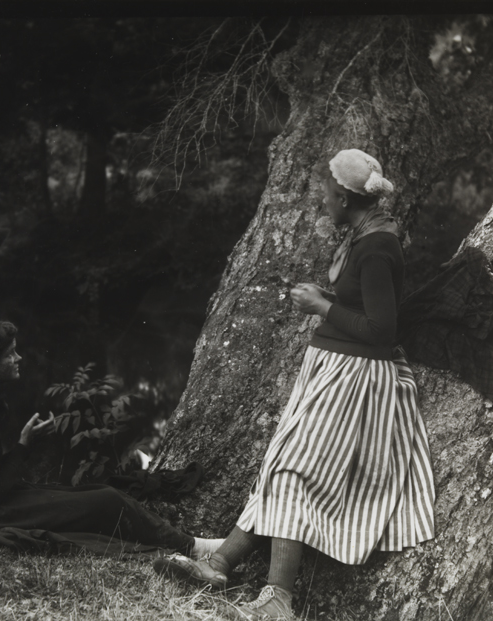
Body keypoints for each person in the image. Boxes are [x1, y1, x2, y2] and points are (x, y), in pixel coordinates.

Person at [153, 149, 436, 619]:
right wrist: (330, 297)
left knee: (292, 473)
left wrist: (322, 307)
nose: (322, 197)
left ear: (345, 197)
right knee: (282, 464)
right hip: (332, 371)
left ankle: (277, 598)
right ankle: (220, 563)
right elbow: (365, 307)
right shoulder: (365, 235)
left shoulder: (378, 247)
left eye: (327, 190)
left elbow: (383, 332)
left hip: (354, 380)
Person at [0, 317, 223, 557]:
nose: (18, 358)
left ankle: (186, 543)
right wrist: (24, 445)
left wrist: (23, 446)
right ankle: (193, 548)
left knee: (90, 496)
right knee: (105, 501)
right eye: (10, 354)